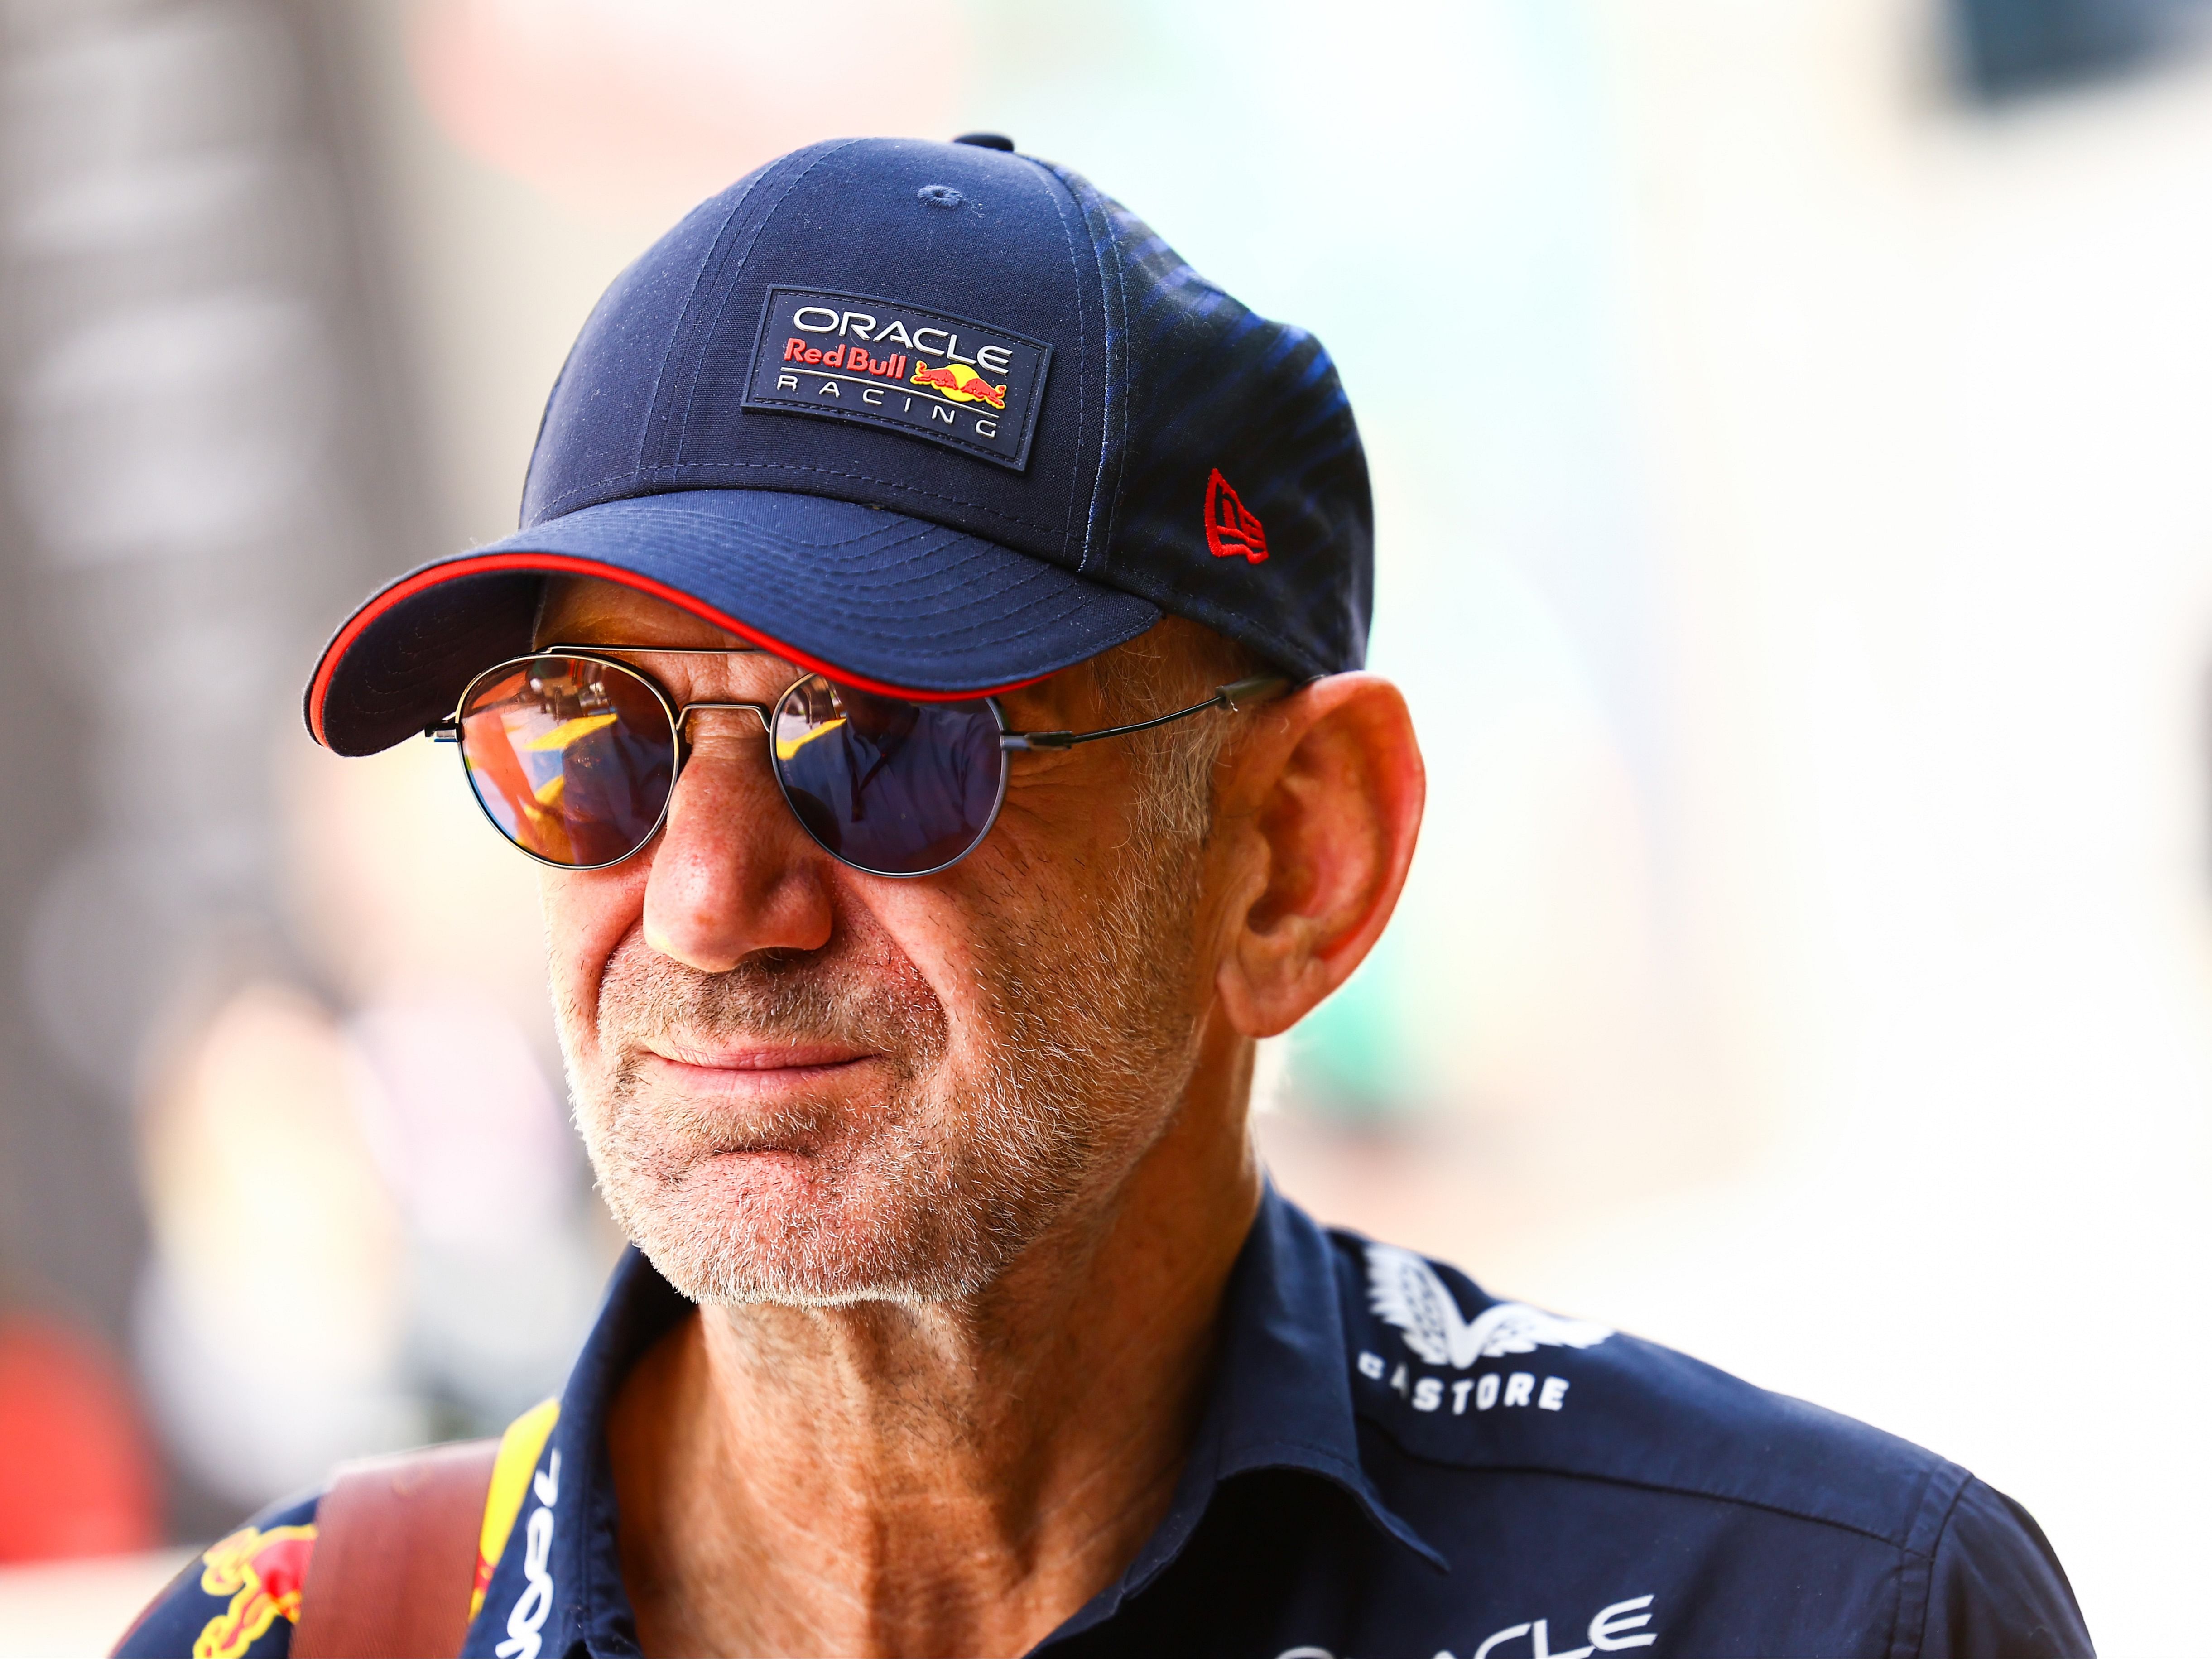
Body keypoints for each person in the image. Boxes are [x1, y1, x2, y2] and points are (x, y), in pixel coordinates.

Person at [118, 135, 2091, 1659]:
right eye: (592, 739)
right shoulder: (293, 1636)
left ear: (1297, 854)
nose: (709, 895)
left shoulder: (1811, 1615)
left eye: (875, 733)